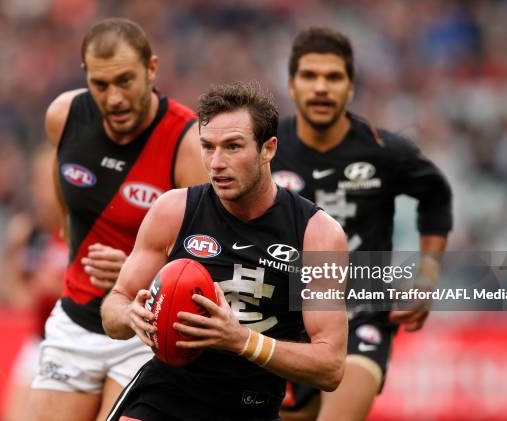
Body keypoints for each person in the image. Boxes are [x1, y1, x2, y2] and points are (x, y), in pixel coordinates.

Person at [101, 81, 349, 421]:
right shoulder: (173, 210)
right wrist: (129, 313)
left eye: (233, 147)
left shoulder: (318, 234)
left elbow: (331, 367)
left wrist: (241, 340)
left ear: (268, 149)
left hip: (251, 408)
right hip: (165, 397)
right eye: (208, 147)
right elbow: (114, 308)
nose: (216, 163)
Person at [27, 18, 207, 421]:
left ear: (152, 69)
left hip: (142, 330)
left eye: (125, 81)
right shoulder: (63, 116)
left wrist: (137, 269)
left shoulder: (187, 144)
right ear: (85, 78)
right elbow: (65, 196)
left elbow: (206, 254)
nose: (114, 98)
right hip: (73, 323)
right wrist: (71, 241)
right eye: (101, 85)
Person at [272, 28, 453, 421]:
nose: (321, 88)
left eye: (333, 77)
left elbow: (436, 197)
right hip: (285, 319)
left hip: (362, 312)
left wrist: (427, 275)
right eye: (310, 76)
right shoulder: (266, 149)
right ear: (291, 84)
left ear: (350, 87)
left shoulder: (385, 151)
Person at [2, 143, 68, 421]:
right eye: (38, 182)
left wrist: (59, 290)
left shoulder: (82, 231)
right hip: (39, 342)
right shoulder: (30, 234)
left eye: (49, 182)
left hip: (74, 343)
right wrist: (14, 257)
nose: (42, 192)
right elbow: (17, 297)